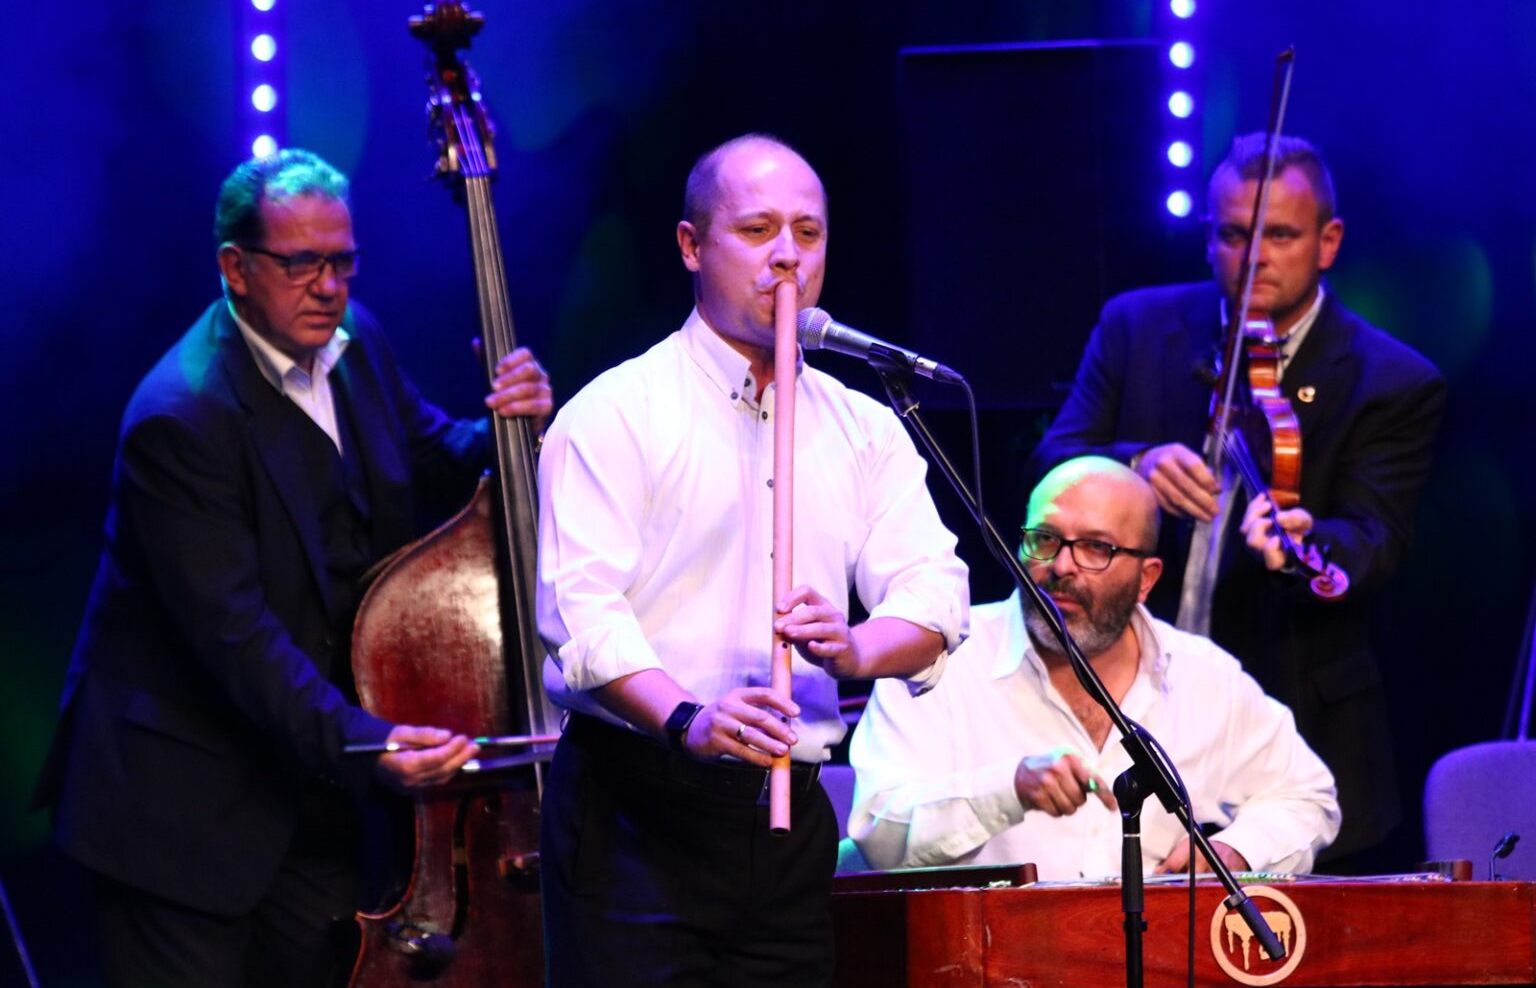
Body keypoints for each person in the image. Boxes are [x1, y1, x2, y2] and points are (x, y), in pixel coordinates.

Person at [32, 148, 553, 987]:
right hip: (178, 816)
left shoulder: (356, 342)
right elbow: (234, 637)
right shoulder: (180, 418)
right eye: (301, 263)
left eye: (343, 261)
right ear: (235, 269)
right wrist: (369, 741)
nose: (327, 285)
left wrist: (516, 427)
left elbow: (430, 456)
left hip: (306, 790)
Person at [535, 133, 969, 987]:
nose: (787, 257)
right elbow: (582, 619)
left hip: (787, 819)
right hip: (639, 808)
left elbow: (936, 595)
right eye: (758, 230)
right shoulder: (617, 412)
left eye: (808, 233)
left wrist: (855, 648)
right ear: (692, 246)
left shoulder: (863, 426)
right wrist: (689, 718)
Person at [1028, 134, 1444, 863]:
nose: (1254, 258)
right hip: (1137, 696)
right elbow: (1053, 456)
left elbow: (1374, 541)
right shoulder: (1135, 327)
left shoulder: (1391, 379)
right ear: (1208, 238)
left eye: (1280, 235)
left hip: (1297, 706)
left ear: (1328, 242)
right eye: (1233, 235)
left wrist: (1304, 545)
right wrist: (1135, 461)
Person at [849, 457, 1339, 878]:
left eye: (1096, 548)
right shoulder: (940, 661)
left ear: (1147, 579)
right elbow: (876, 834)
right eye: (1044, 538)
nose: (1062, 566)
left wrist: (1235, 851)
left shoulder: (1203, 677)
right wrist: (1007, 789)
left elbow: (1307, 797)